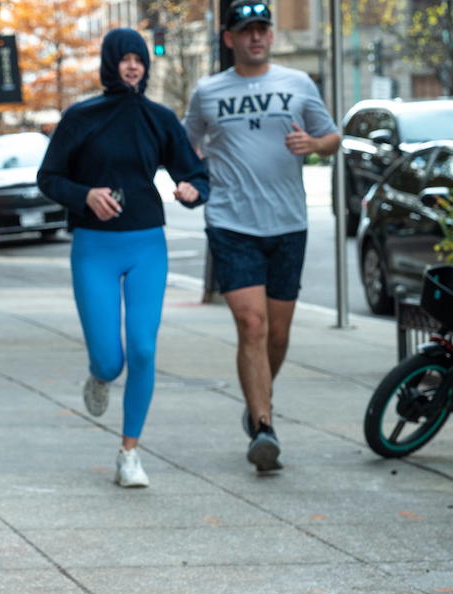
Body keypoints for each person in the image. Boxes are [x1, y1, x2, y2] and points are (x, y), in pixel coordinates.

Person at [38, 28, 209, 488]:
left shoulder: (159, 117)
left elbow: (195, 172)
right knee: (110, 362)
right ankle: (97, 378)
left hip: (146, 243)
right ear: (110, 64)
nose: (133, 65)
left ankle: (129, 453)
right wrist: (85, 195)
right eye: (124, 58)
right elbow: (49, 178)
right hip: (94, 248)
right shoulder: (81, 117)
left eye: (139, 59)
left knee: (144, 350)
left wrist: (193, 189)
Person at [182, 0, 340, 471]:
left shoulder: (298, 84)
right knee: (252, 325)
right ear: (228, 38)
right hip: (232, 223)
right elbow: (187, 142)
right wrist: (193, 179)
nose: (256, 37)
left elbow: (332, 136)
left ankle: (256, 401)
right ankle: (264, 425)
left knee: (278, 334)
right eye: (246, 30)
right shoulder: (208, 92)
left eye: (262, 30)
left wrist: (313, 145)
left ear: (271, 36)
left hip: (288, 222)